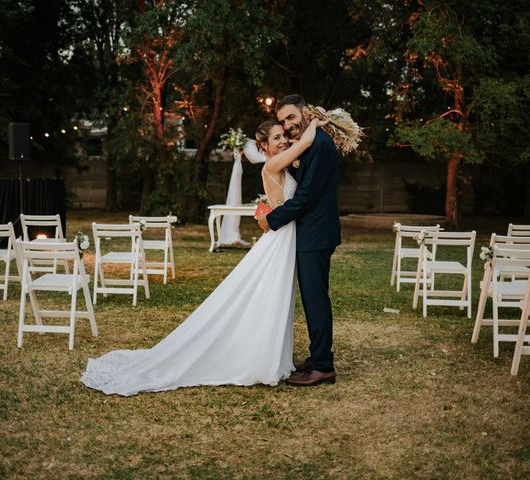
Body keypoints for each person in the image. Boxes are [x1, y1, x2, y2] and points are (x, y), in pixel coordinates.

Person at [81, 118, 325, 396]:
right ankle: (259, 359)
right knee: (268, 297)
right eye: (277, 138)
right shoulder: (272, 165)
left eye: (284, 136)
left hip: (285, 235)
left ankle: (272, 357)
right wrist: (316, 122)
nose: (283, 141)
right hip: (281, 239)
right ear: (263, 145)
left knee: (278, 298)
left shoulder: (280, 162)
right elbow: (305, 143)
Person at [257, 94, 341, 387]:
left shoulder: (318, 144)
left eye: (292, 117)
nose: (288, 125)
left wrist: (272, 219)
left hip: (315, 233)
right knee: (311, 298)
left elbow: (305, 197)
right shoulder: (311, 140)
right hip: (309, 233)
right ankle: (317, 356)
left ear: (306, 113)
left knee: (316, 300)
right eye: (282, 121)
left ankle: (323, 366)